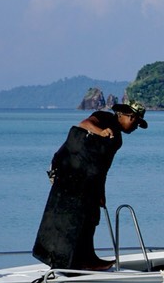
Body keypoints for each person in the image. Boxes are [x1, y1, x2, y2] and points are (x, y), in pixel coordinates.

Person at [32, 101, 147, 270]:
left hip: (88, 177)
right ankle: (63, 257)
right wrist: (101, 131)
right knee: (72, 215)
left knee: (92, 215)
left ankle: (87, 257)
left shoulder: (118, 140)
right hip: (68, 170)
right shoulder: (105, 117)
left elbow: (103, 168)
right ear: (128, 116)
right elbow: (85, 124)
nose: (136, 127)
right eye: (136, 122)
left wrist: (101, 192)